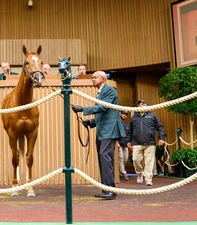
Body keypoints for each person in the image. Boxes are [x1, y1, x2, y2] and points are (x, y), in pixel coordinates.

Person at [71, 70, 125, 200]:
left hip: (109, 130)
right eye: (92, 78)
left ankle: (110, 190)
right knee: (104, 159)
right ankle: (106, 189)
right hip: (103, 130)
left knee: (105, 157)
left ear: (103, 78)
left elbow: (103, 108)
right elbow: (105, 113)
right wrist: (92, 122)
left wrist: (83, 109)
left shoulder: (109, 90)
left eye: (95, 77)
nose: (93, 79)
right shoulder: (101, 92)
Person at [126, 100, 166, 186]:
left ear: (147, 106)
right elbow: (129, 131)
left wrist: (161, 138)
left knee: (149, 162)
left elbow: (160, 127)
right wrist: (128, 141)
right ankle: (139, 173)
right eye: (139, 104)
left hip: (150, 143)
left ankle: (148, 179)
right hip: (137, 143)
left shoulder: (153, 116)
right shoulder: (134, 118)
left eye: (143, 104)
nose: (140, 105)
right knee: (135, 160)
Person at [118, 111, 130, 181]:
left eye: (126, 114)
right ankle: (124, 173)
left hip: (125, 145)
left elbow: (128, 134)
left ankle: (121, 172)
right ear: (120, 114)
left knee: (125, 158)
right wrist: (117, 142)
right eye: (123, 114)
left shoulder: (126, 124)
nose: (124, 115)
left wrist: (128, 142)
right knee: (121, 159)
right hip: (119, 144)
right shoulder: (117, 123)